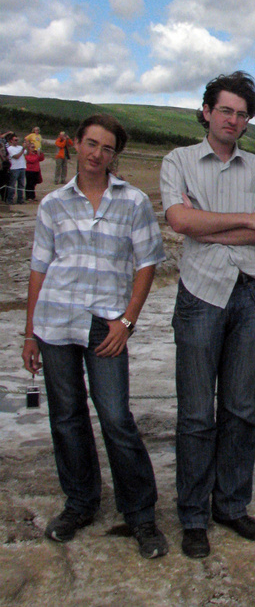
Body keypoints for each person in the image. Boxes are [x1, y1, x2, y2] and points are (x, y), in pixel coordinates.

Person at [22, 114, 169, 559]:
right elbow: (39, 269)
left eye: (106, 148)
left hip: (105, 324)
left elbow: (148, 263)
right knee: (66, 417)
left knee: (116, 417)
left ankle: (140, 514)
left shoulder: (134, 201)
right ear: (76, 144)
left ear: (114, 155)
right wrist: (29, 334)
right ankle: (80, 503)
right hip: (55, 323)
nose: (96, 154)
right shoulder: (53, 203)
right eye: (90, 143)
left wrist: (127, 321)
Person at [160, 71, 255, 559]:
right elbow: (178, 219)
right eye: (225, 110)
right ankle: (192, 516)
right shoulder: (179, 160)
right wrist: (241, 219)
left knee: (240, 410)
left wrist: (206, 228)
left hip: (249, 294)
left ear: (248, 121)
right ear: (207, 111)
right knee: (195, 414)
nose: (233, 119)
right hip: (199, 294)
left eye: (241, 113)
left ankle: (231, 506)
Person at [6, 133, 27, 204]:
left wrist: (27, 145)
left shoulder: (19, 147)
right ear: (11, 141)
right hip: (14, 168)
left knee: (21, 185)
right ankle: (10, 199)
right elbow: (16, 156)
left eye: (17, 140)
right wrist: (23, 149)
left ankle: (20, 199)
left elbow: (26, 153)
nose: (16, 141)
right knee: (12, 184)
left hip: (22, 167)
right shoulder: (9, 149)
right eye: (15, 140)